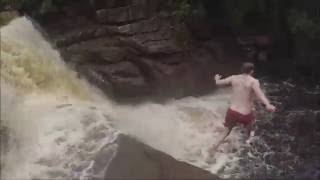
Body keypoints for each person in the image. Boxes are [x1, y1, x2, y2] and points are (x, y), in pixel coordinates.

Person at [207, 62, 276, 159]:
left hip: (232, 111)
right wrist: (268, 105)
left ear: (241, 70)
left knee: (226, 131)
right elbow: (260, 94)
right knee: (250, 128)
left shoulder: (233, 78)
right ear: (252, 71)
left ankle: (213, 147)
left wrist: (216, 78)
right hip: (245, 113)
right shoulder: (253, 81)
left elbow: (218, 83)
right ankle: (248, 145)